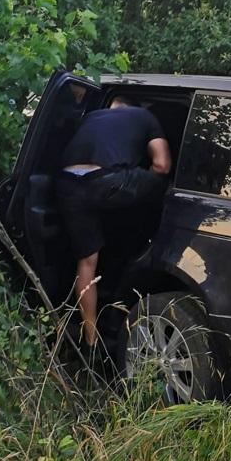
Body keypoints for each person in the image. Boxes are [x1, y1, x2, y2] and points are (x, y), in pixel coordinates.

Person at [56, 94, 171, 357]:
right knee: (166, 185)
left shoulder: (91, 116)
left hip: (67, 184)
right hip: (107, 181)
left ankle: (90, 340)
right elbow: (162, 165)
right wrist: (143, 187)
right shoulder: (145, 116)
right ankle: (156, 240)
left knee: (87, 260)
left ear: (113, 104)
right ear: (136, 105)